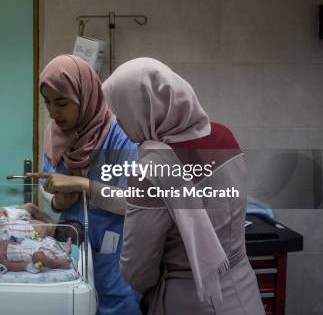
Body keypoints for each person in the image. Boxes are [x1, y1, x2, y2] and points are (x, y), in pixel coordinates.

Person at [101, 57, 265, 314]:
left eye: (121, 114)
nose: (120, 125)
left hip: (189, 299)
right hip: (243, 291)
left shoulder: (151, 168)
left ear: (142, 110)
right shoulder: (224, 136)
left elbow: (138, 270)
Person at [28, 54, 141, 315]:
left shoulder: (119, 135)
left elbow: (131, 201)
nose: (54, 113)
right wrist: (58, 201)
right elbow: (49, 189)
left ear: (84, 96)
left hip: (114, 256)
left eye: (62, 103)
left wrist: (82, 184)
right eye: (48, 104)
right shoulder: (54, 135)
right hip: (70, 250)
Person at [0, 237, 72, 273]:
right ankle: (59, 263)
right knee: (39, 257)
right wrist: (26, 266)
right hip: (37, 255)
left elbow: (11, 240)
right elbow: (9, 265)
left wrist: (16, 239)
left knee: (49, 241)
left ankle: (64, 251)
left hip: (38, 245)